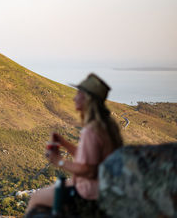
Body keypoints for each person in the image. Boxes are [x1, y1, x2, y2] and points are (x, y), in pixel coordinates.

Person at [25, 73, 123, 214]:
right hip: (104, 188)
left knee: (35, 198)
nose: (74, 98)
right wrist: (64, 143)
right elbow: (89, 159)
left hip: (89, 193)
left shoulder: (91, 130)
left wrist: (59, 161)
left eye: (78, 94)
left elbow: (89, 170)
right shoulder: (107, 125)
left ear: (87, 99)